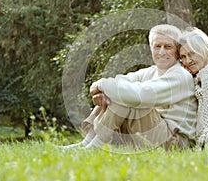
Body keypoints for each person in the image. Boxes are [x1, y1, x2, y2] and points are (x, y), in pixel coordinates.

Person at [63, 24, 197, 151]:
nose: (161, 52)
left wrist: (101, 85)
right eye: (157, 46)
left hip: (176, 142)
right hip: (154, 134)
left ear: (177, 51)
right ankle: (87, 142)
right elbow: (120, 81)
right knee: (119, 91)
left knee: (127, 96)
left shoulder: (180, 75)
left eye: (168, 46)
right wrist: (103, 89)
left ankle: (94, 146)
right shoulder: (151, 71)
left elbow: (138, 95)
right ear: (151, 48)